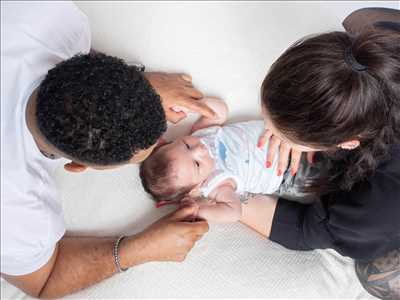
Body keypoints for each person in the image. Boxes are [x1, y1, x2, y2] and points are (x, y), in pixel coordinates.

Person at [1, 2, 212, 298]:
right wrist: (140, 249)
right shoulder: (14, 210)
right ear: (77, 167)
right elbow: (44, 281)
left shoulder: (46, 19)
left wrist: (137, 86)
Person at [240, 7, 400, 299]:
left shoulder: (371, 213)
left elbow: (302, 229)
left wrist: (219, 190)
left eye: (279, 135)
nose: (268, 134)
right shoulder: (372, 26)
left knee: (378, 278)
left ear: (350, 142)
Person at [140, 98, 318, 222]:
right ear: (195, 187)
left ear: (172, 140)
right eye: (197, 164)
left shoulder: (201, 133)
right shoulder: (215, 183)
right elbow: (233, 212)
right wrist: (199, 209)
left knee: (328, 134)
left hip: (286, 134)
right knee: (333, 172)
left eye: (187, 146)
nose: (200, 149)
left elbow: (220, 110)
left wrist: (192, 105)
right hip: (289, 174)